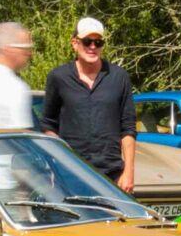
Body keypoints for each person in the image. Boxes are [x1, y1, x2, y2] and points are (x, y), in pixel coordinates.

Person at [40, 17, 135, 191]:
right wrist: (59, 160)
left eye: (98, 42)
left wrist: (128, 172)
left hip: (111, 174)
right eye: (87, 41)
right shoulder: (58, 77)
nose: (92, 47)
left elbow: (128, 128)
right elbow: (48, 125)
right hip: (70, 173)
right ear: (75, 43)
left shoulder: (119, 77)